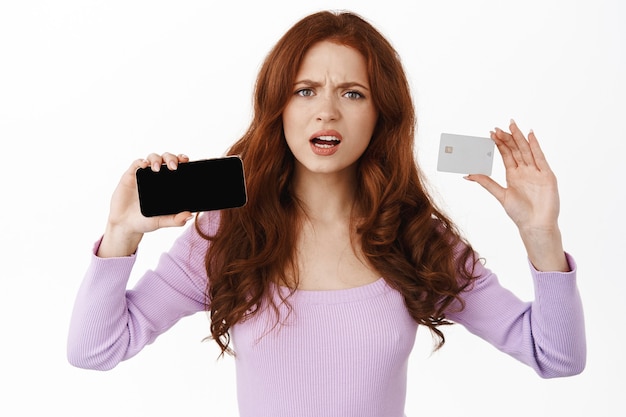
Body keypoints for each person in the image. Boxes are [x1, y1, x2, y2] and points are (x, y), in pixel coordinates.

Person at [67, 10, 586, 417]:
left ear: (381, 112)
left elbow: (555, 357)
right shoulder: (227, 235)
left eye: (352, 93)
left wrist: (541, 235)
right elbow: (94, 350)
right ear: (280, 107)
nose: (327, 110)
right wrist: (121, 233)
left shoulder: (414, 238)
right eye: (305, 90)